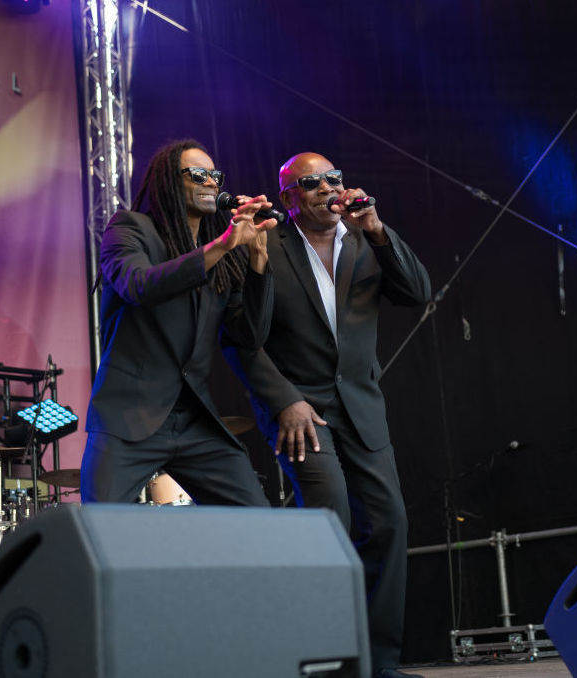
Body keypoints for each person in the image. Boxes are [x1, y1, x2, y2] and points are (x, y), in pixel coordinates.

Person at [226, 152, 431, 677]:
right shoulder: (267, 243)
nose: (327, 188)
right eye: (311, 183)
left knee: (389, 524)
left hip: (361, 405)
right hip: (301, 410)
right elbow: (241, 340)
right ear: (290, 197)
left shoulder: (364, 238)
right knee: (328, 521)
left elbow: (416, 293)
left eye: (333, 178)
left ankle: (378, 665)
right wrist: (284, 401)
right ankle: (322, 662)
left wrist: (379, 230)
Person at [81, 138, 277, 507]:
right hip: (129, 417)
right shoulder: (129, 228)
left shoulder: (225, 256)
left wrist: (258, 262)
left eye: (214, 175)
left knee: (256, 518)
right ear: (170, 182)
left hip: (194, 420)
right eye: (198, 174)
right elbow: (139, 286)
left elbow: (249, 335)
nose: (210, 182)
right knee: (101, 530)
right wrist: (222, 245)